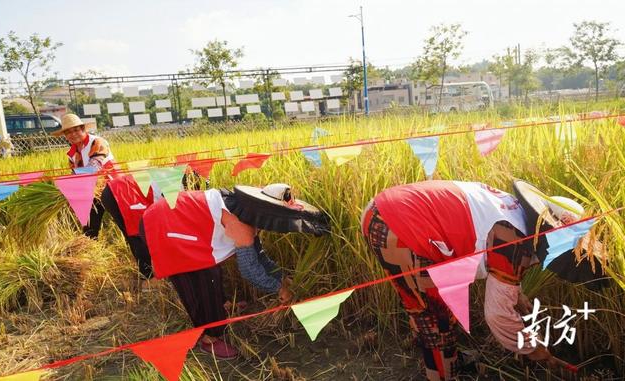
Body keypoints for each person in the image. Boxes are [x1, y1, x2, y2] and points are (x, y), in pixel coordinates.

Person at [360, 179, 606, 381]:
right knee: (435, 317)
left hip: (386, 212)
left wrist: (516, 294)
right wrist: (532, 349)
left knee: (422, 301)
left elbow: (504, 266)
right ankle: (443, 373)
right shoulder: (515, 239)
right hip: (397, 226)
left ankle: (427, 350)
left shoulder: (515, 212)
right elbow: (497, 315)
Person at [138, 183, 329, 360]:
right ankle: (209, 338)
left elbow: (259, 255)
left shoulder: (244, 209)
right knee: (202, 278)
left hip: (177, 218)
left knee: (210, 270)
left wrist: (282, 278)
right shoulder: (241, 224)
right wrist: (279, 289)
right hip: (161, 224)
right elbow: (250, 271)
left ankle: (222, 304)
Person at [53, 114, 115, 239]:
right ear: (65, 135)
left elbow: (93, 168)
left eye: (76, 130)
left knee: (126, 226)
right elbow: (75, 175)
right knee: (89, 229)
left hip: (112, 188)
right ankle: (90, 251)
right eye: (68, 132)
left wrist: (66, 180)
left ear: (83, 129)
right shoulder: (72, 153)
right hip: (93, 193)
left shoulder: (97, 142)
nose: (73, 134)